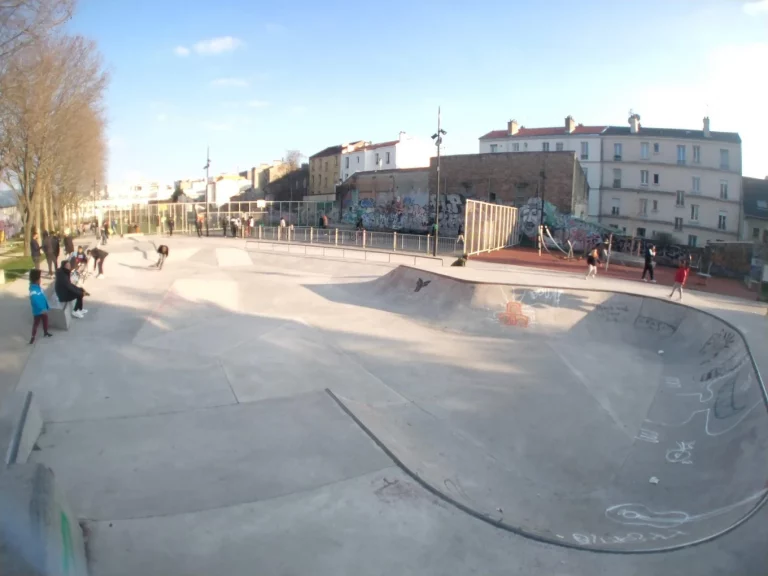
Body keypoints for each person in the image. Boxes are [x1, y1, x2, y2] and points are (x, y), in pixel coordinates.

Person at [28, 269, 53, 344]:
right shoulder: (33, 291)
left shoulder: (38, 288)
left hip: (43, 309)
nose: (40, 280)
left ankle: (45, 332)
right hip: (38, 311)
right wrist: (41, 309)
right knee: (36, 323)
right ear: (36, 280)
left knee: (45, 321)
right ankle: (33, 337)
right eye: (40, 279)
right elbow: (35, 302)